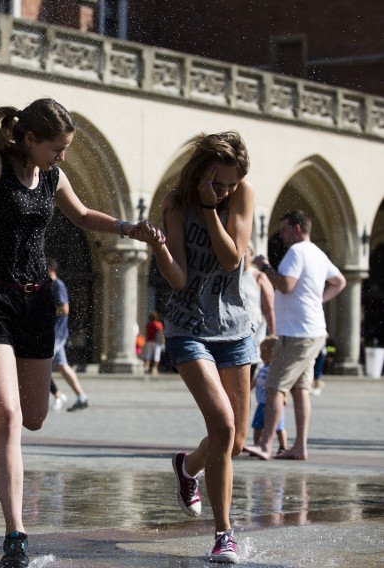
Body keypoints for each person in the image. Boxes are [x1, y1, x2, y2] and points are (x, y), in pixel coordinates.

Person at [0, 98, 158, 567]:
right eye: (57, 148)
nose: (62, 156)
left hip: (37, 302)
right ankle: (15, 534)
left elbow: (82, 216)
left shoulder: (53, 178)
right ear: (30, 139)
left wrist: (129, 228)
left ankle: (14, 524)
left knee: (35, 416)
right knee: (7, 414)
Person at [143, 131, 256, 564]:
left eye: (231, 184)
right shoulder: (176, 202)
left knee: (238, 441)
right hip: (188, 326)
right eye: (220, 182)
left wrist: (214, 208)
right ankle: (224, 533)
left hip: (235, 328)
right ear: (203, 170)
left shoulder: (241, 194)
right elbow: (180, 279)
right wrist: (159, 247)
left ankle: (188, 467)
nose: (227, 189)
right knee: (224, 426)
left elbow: (232, 258)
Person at [245, 210, 346, 461]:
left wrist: (264, 266)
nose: (281, 234)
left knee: (274, 387)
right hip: (312, 331)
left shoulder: (297, 252)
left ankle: (266, 445)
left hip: (296, 333)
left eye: (284, 228)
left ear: (297, 228)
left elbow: (286, 285)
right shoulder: (318, 253)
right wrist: (317, 301)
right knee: (300, 389)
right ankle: (299, 447)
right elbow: (340, 282)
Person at [47, 258, 89, 411]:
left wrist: (47, 313)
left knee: (41, 365)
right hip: (56, 333)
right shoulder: (52, 285)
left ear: (50, 268)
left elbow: (64, 309)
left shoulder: (57, 285)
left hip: (57, 333)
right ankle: (81, 397)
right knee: (62, 366)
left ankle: (57, 395)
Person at [247, 335, 288, 452]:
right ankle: (256, 445)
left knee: (279, 427)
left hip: (275, 404)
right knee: (257, 426)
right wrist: (248, 389)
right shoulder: (263, 367)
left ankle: (283, 446)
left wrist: (284, 397)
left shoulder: (277, 369)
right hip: (261, 403)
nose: (260, 355)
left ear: (273, 353)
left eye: (263, 352)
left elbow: (284, 385)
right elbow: (256, 380)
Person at [241, 244, 275, 379]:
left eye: (245, 251)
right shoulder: (228, 275)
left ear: (252, 254)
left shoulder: (258, 277)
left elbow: (269, 309)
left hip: (253, 336)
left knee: (250, 375)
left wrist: (272, 334)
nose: (242, 255)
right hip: (231, 334)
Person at [142, 311, 165, 376]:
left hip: (149, 341)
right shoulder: (159, 324)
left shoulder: (148, 324)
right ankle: (154, 369)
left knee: (148, 355)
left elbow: (147, 333)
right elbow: (161, 334)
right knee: (157, 355)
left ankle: (146, 367)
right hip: (157, 342)